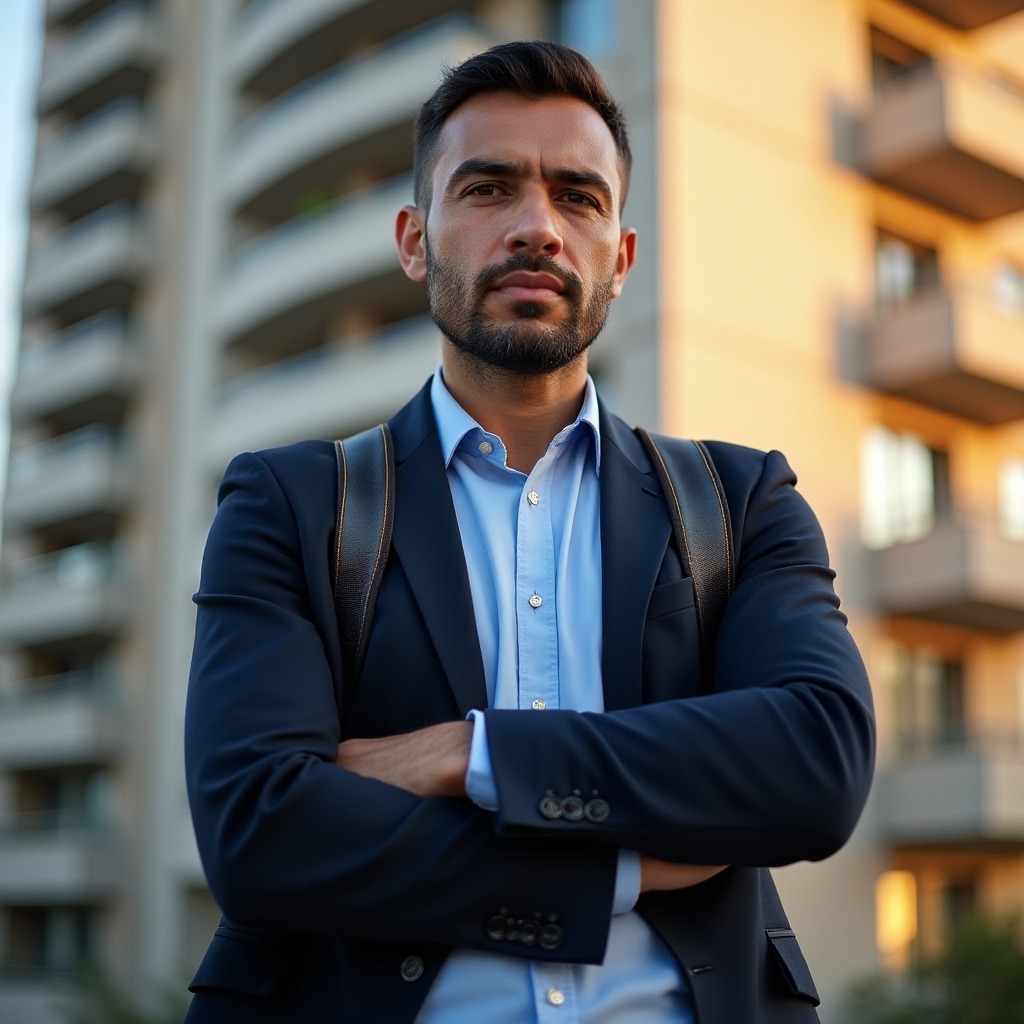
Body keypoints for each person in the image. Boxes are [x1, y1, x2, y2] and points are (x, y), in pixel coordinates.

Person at [183, 40, 875, 1024]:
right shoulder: (292, 504)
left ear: (621, 258)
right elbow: (260, 830)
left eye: (579, 198)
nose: (537, 227)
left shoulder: (739, 498)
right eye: (488, 188)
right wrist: (621, 871)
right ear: (415, 241)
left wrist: (466, 755)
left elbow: (817, 761)